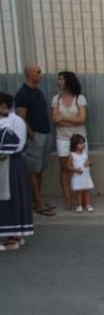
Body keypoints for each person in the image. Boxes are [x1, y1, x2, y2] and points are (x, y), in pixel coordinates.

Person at [15, 64, 55, 217]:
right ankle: (38, 203)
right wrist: (32, 134)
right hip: (36, 136)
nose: (41, 74)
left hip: (45, 133)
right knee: (33, 170)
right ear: (29, 74)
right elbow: (21, 118)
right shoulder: (22, 94)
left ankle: (38, 200)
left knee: (39, 170)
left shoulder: (39, 92)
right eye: (38, 72)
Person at [0, 92, 33, 252]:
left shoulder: (16, 121)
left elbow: (18, 144)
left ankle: (14, 236)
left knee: (13, 196)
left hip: (11, 164)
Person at [50, 71, 87, 211]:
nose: (58, 81)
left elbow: (82, 119)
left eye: (61, 79)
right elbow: (54, 120)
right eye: (58, 79)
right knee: (65, 169)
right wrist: (73, 121)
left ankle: (82, 199)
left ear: (68, 81)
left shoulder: (80, 98)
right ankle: (67, 199)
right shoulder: (56, 99)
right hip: (62, 139)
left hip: (79, 139)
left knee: (80, 167)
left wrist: (63, 119)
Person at [68, 134, 94, 212]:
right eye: (80, 143)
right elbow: (68, 166)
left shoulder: (85, 153)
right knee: (79, 191)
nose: (83, 145)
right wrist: (75, 170)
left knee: (87, 191)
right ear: (75, 145)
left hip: (86, 175)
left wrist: (89, 163)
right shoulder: (72, 155)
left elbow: (90, 163)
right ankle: (79, 205)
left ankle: (88, 204)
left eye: (83, 143)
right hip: (78, 176)